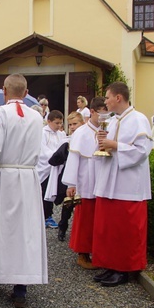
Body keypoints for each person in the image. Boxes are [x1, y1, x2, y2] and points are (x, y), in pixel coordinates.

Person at [0, 73, 48, 308]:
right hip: (27, 177)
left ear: (4, 91)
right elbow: (42, 152)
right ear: (26, 93)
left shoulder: (0, 114)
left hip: (4, 177)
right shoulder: (37, 118)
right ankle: (20, 289)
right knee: (24, 231)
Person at [94, 82, 152, 287]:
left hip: (129, 185)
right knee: (111, 227)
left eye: (108, 97)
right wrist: (101, 141)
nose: (105, 101)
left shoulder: (138, 119)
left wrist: (115, 145)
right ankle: (111, 265)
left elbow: (142, 150)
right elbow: (107, 149)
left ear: (119, 97)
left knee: (125, 229)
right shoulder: (112, 121)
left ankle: (124, 269)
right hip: (111, 180)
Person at [62, 96, 107, 270]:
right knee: (85, 218)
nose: (105, 118)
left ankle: (98, 251)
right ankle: (82, 253)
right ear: (93, 112)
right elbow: (73, 159)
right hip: (86, 180)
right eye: (102, 114)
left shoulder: (106, 130)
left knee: (99, 218)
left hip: (102, 178)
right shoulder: (81, 132)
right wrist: (71, 184)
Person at [47, 112, 84, 242]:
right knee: (68, 205)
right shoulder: (67, 142)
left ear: (82, 123)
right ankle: (62, 228)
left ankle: (81, 233)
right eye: (71, 125)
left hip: (84, 177)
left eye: (75, 124)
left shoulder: (88, 138)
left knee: (83, 207)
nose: (73, 127)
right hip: (70, 177)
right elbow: (54, 160)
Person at [37, 110, 67, 229]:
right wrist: (56, 155)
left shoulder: (61, 134)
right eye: (56, 123)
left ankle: (49, 214)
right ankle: (43, 216)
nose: (59, 126)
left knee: (53, 191)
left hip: (56, 167)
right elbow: (42, 150)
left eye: (61, 123)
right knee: (44, 191)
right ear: (48, 121)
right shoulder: (42, 133)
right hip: (45, 167)